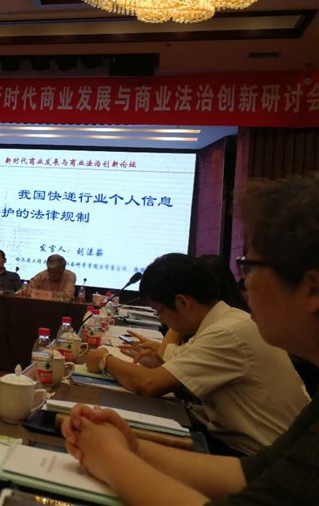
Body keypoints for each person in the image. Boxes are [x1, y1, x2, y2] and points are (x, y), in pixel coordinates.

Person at [63, 175, 319, 505]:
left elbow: (148, 384)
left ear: (312, 289)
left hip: (233, 446)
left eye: (250, 268)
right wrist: (130, 445)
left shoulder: (231, 331)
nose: (244, 286)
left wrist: (111, 458)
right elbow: (250, 474)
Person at [85, 252, 307, 456]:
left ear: (183, 302)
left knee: (120, 444)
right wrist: (161, 364)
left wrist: (104, 358)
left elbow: (147, 384)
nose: (161, 320)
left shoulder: (226, 332)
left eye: (160, 311)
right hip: (262, 449)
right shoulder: (226, 321)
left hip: (258, 458)